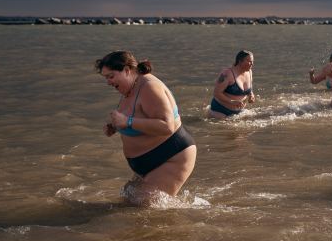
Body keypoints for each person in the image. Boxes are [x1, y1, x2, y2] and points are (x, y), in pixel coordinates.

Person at [95, 51, 196, 205]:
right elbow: (140, 116)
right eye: (106, 78)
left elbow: (167, 125)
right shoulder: (128, 87)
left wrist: (127, 122)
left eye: (111, 76)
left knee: (144, 213)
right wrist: (116, 127)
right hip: (148, 161)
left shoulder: (149, 87)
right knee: (128, 203)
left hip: (171, 156)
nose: (108, 82)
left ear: (127, 70)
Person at [209, 50, 256, 118]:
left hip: (239, 112)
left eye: (252, 61)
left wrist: (251, 95)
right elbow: (216, 93)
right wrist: (232, 101)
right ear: (240, 61)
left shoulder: (249, 72)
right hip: (220, 110)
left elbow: (249, 88)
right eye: (249, 61)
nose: (252, 64)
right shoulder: (227, 74)